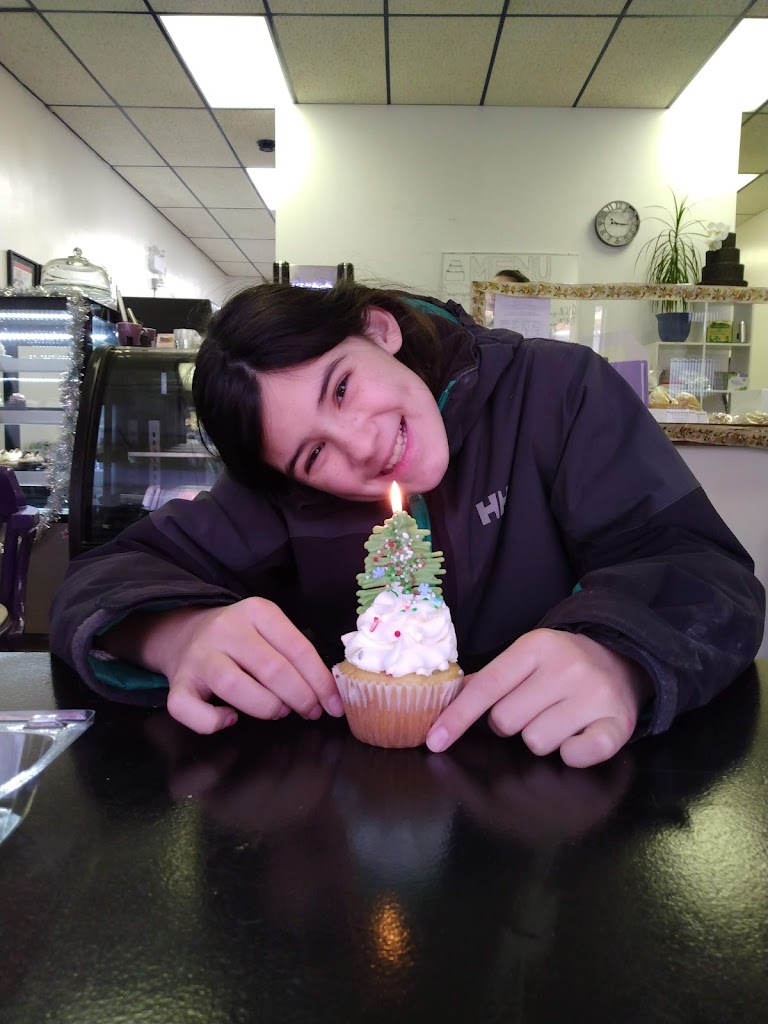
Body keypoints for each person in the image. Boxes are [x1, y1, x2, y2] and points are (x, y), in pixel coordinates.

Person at [50, 282, 765, 768]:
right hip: (356, 830)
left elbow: (707, 573)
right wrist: (176, 635)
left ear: (379, 330)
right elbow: (100, 579)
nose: (361, 445)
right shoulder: (280, 496)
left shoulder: (560, 393)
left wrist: (620, 657)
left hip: (559, 820)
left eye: (342, 387)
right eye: (313, 454)